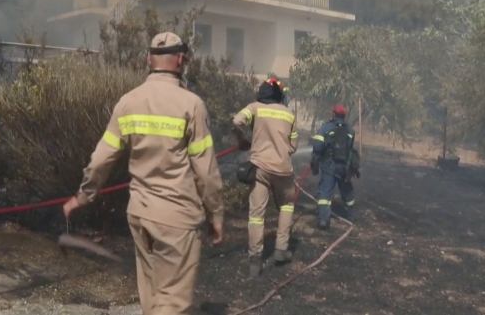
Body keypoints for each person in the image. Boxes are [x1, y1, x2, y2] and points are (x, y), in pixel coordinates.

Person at [63, 32, 225, 315]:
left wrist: (83, 196)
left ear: (149, 59)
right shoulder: (191, 105)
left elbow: (102, 157)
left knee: (151, 299)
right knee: (173, 304)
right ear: (181, 60)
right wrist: (216, 215)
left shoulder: (128, 102)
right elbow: (206, 171)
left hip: (140, 215)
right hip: (177, 217)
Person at [232, 80, 299, 278]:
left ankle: (255, 260)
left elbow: (237, 121)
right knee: (287, 205)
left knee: (256, 214)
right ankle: (280, 250)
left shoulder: (255, 108)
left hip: (260, 169)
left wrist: (243, 140)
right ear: (279, 96)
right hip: (283, 170)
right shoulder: (289, 114)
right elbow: (293, 146)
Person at [310, 104, 357, 230]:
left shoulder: (326, 128)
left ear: (333, 114)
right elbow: (350, 148)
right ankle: (351, 216)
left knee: (325, 191)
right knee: (347, 190)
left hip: (329, 165)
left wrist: (315, 161)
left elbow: (318, 147)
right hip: (344, 167)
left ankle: (324, 220)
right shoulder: (350, 131)